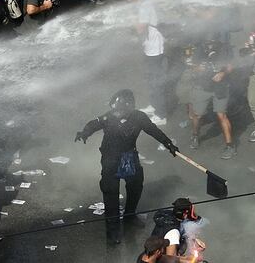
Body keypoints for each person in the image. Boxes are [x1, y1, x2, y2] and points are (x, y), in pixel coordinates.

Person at [76, 89, 178, 245]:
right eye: (115, 109)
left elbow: (154, 131)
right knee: (110, 193)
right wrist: (84, 133)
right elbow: (93, 124)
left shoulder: (139, 117)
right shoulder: (108, 117)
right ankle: (112, 231)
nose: (117, 112)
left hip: (128, 157)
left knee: (136, 185)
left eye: (120, 110)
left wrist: (168, 143)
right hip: (110, 159)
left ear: (130, 107)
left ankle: (129, 215)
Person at [152, 197, 207, 262]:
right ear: (184, 214)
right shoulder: (173, 233)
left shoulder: (168, 217)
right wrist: (190, 260)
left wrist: (193, 241)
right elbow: (170, 260)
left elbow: (181, 229)